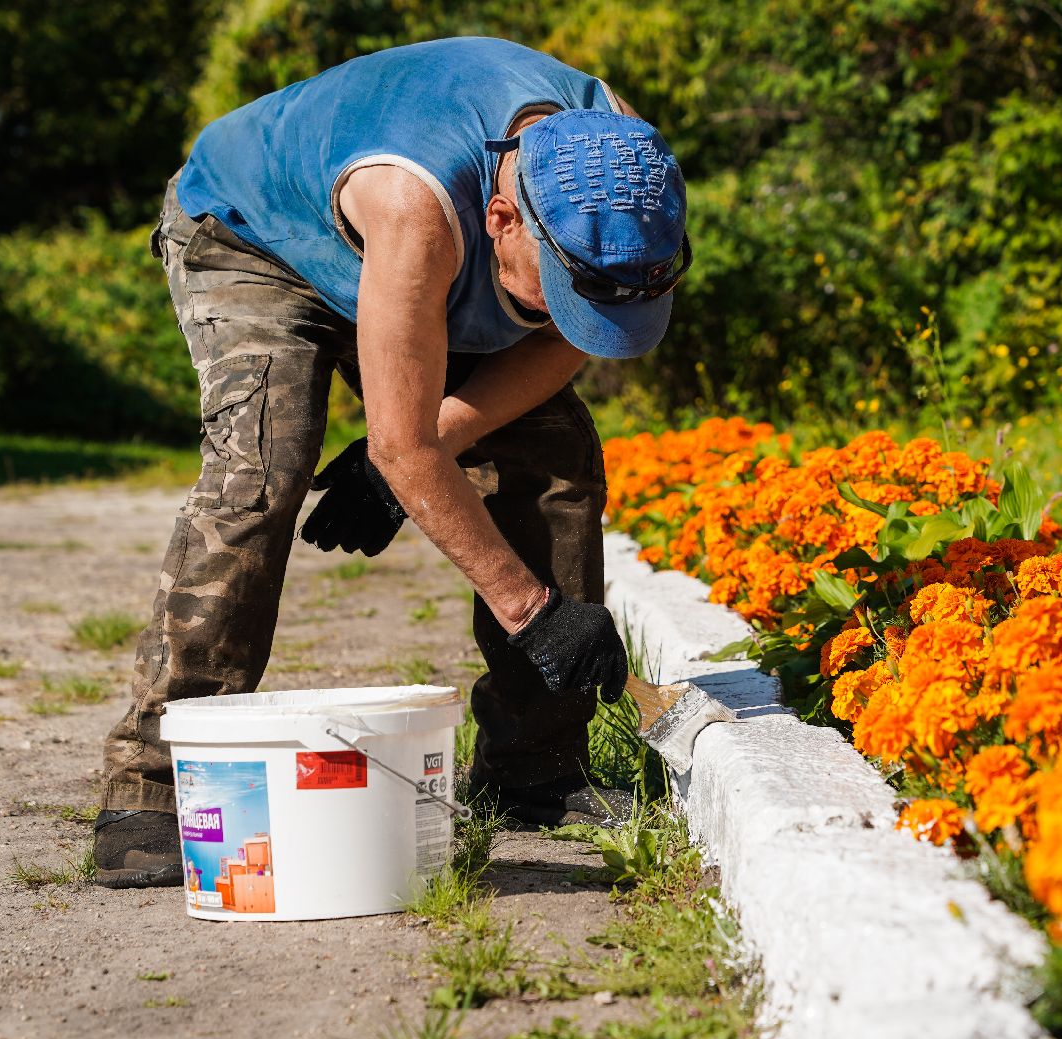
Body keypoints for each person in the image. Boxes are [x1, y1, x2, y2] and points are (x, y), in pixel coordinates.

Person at [95, 36, 690, 888]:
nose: (562, 313)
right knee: (261, 469)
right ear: (502, 220)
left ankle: (535, 770)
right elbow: (401, 441)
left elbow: (560, 346)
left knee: (553, 457)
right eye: (550, 290)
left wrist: (406, 459)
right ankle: (150, 785)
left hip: (418, 269)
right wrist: (531, 607)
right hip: (258, 238)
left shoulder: (626, 175)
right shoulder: (417, 205)